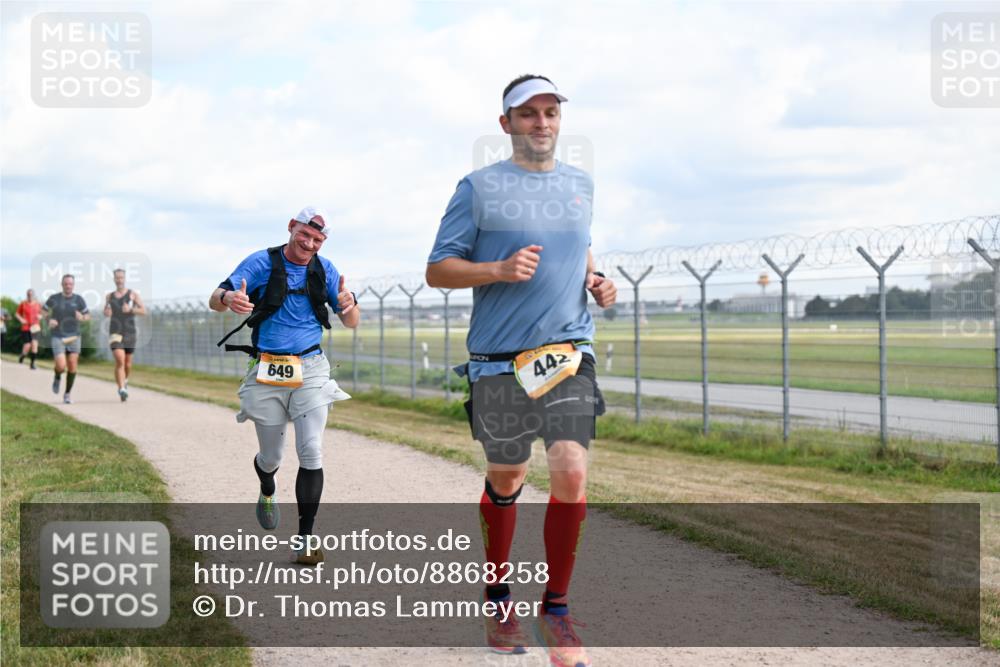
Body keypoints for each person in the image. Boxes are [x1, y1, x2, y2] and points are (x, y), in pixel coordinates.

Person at [426, 74, 617, 666]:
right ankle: (498, 597)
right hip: (498, 360)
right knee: (508, 474)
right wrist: (498, 270)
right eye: (528, 114)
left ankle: (555, 608)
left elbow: (579, 245)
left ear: (561, 120)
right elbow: (438, 269)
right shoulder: (479, 188)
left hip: (567, 353)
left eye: (551, 112)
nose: (542, 123)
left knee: (570, 470)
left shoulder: (581, 185)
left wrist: (596, 278)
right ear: (506, 123)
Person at [210, 206, 359, 565]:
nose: (309, 243)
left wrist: (349, 306)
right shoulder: (261, 262)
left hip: (310, 368)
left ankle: (305, 540)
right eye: (304, 234)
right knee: (272, 456)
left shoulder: (326, 270)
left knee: (311, 450)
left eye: (317, 239)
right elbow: (215, 297)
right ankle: (267, 486)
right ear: (291, 227)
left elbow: (351, 320)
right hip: (267, 369)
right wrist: (229, 300)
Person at [43, 274, 90, 404]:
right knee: (61, 365)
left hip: (74, 336)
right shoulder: (54, 298)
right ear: (62, 284)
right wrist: (48, 320)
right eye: (66, 283)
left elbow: (88, 316)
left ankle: (67, 394)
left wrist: (82, 317)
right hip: (58, 335)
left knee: (72, 366)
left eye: (70, 284)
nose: (68, 286)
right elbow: (44, 311)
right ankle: (57, 376)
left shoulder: (79, 299)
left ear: (73, 285)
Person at [103, 269, 146, 401]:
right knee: (120, 360)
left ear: (124, 279)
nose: (119, 280)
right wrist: (107, 311)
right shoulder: (109, 296)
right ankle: (121, 389)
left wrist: (131, 309)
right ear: (114, 279)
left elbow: (143, 311)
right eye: (117, 278)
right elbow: (106, 312)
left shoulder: (133, 294)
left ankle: (125, 380)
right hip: (115, 332)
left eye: (121, 278)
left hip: (129, 331)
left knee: (127, 364)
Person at [16, 289, 43, 369]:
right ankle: (22, 355)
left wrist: (40, 316)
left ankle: (32, 363)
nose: (30, 296)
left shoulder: (38, 304)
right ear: (27, 295)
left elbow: (43, 313)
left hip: (35, 327)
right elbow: (17, 314)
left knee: (34, 344)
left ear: (34, 295)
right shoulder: (23, 304)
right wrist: (21, 319)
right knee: (27, 345)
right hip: (26, 327)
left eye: (31, 294)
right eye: (28, 294)